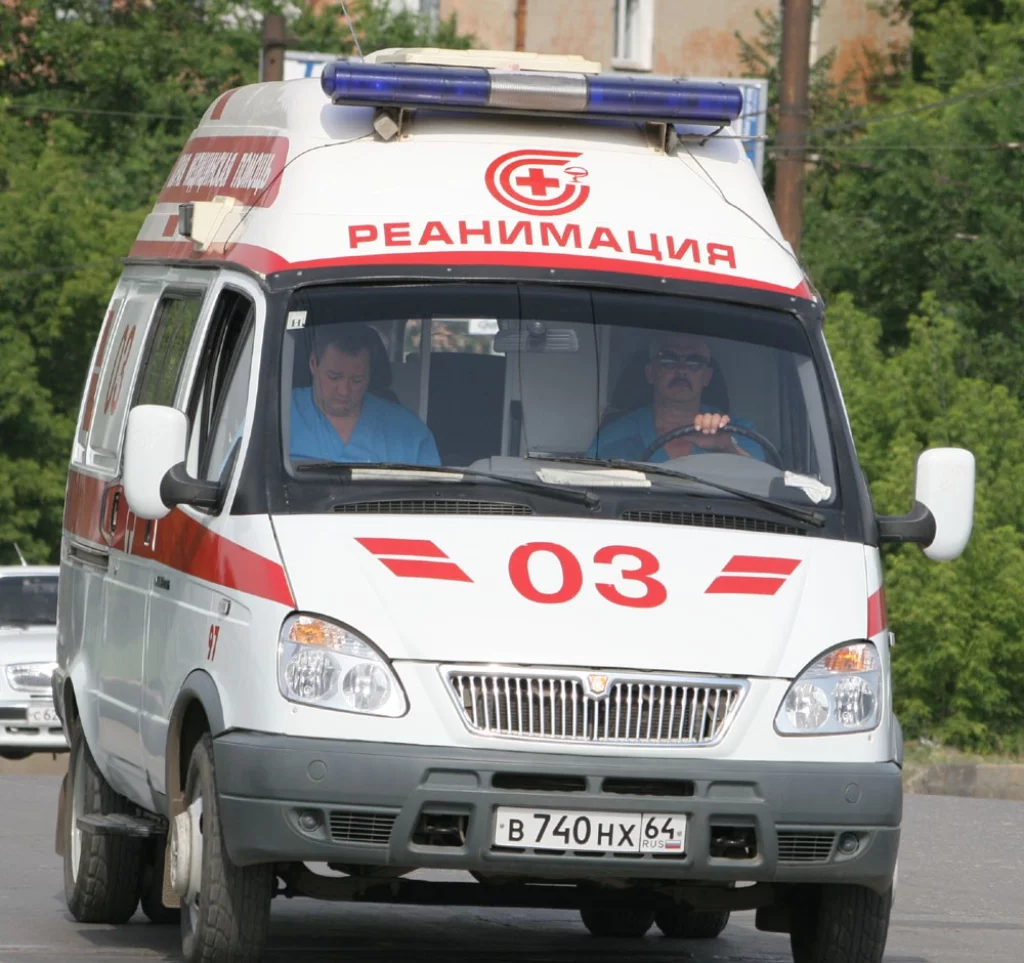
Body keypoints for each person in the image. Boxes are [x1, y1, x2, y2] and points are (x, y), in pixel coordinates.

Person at [587, 333, 764, 463]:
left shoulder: (738, 432)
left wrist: (727, 447)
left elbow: (763, 485)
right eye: (669, 359)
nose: (682, 370)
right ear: (650, 373)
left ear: (707, 377)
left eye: (694, 361)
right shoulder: (614, 437)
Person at [289, 323, 441, 465]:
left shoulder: (409, 433)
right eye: (334, 377)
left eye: (357, 380)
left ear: (370, 374)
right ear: (313, 363)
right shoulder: (281, 415)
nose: (344, 391)